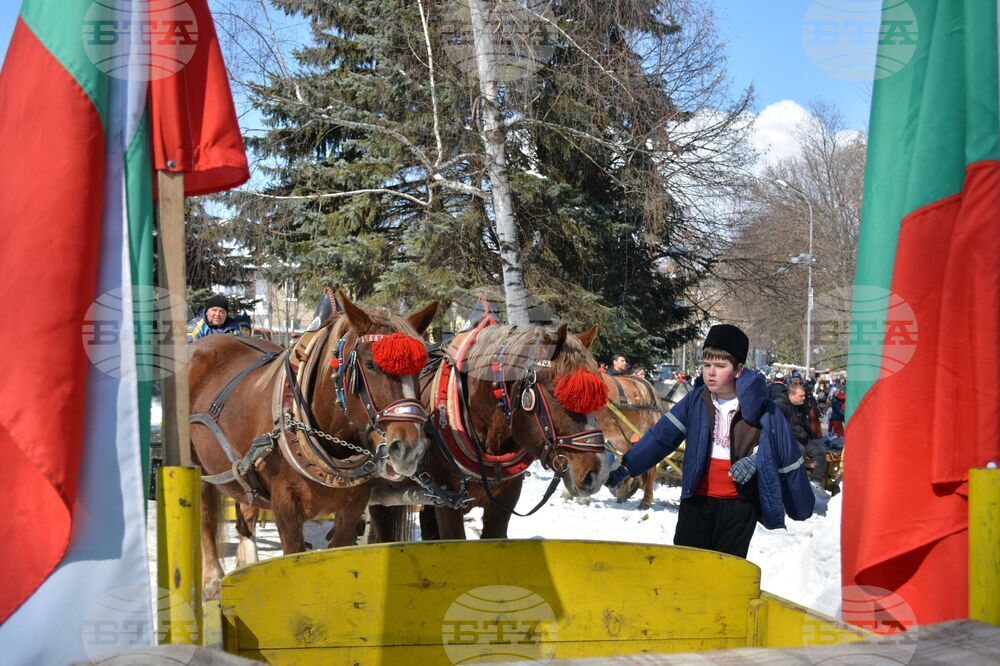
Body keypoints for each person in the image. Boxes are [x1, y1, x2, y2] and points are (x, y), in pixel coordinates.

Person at [605, 324, 814, 558]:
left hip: (739, 507)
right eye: (706, 365)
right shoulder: (696, 401)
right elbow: (661, 437)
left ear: (738, 369)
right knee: (687, 567)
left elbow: (785, 451)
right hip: (697, 502)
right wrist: (628, 465)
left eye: (720, 366)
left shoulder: (762, 407)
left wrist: (757, 461)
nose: (711, 372)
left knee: (726, 573)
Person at [187, 294, 251, 343]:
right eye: (214, 310)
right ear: (207, 312)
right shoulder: (196, 325)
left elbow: (245, 346)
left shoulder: (234, 327)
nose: (217, 314)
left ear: (226, 314)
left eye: (221, 311)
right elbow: (189, 345)